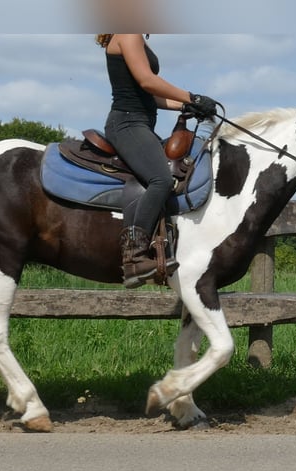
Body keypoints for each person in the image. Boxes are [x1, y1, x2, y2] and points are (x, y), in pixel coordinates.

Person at [96, 34, 218, 288]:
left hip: (139, 121)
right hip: (127, 123)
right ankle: (135, 257)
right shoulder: (128, 33)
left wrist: (186, 106)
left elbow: (148, 95)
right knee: (161, 179)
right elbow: (148, 81)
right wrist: (191, 97)